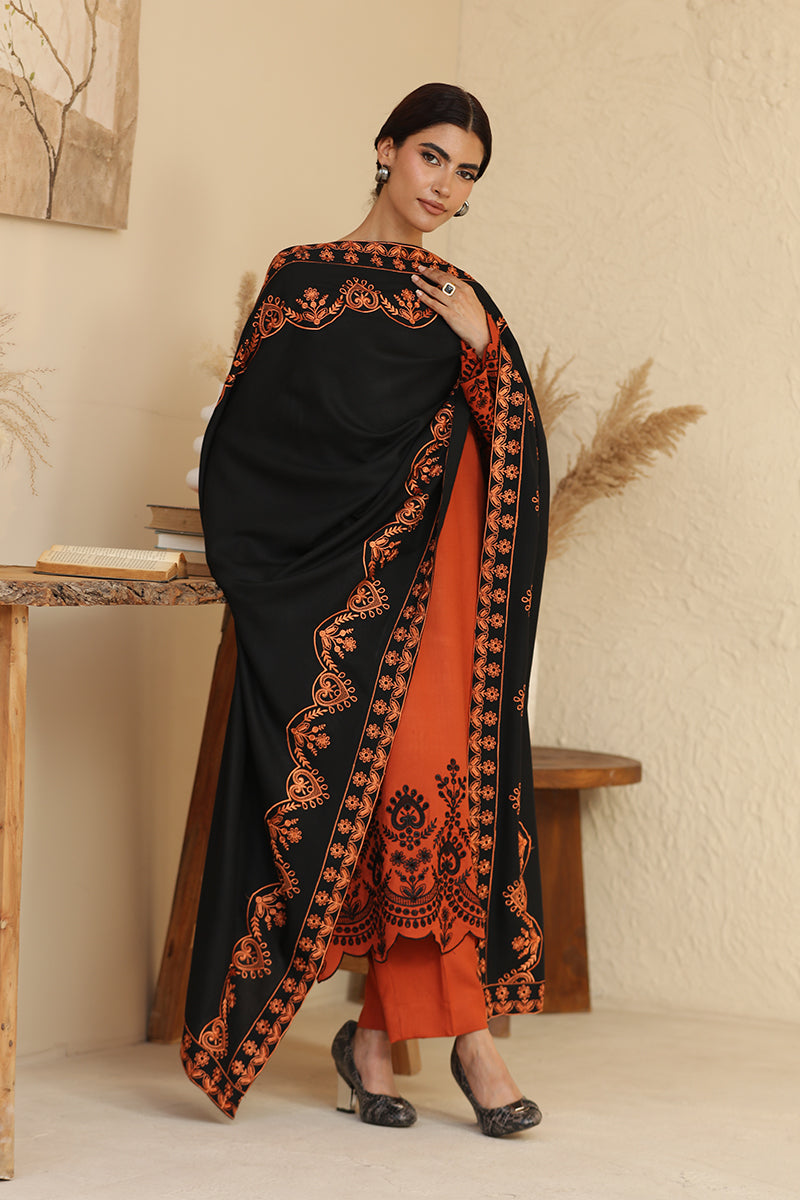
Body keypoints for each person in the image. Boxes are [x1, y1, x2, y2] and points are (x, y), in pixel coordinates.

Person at [182, 83, 549, 1138]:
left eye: (467, 171)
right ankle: (411, 1043)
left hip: (432, 610)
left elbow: (515, 457)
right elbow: (251, 445)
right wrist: (274, 576)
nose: (446, 186)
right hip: (334, 606)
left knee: (427, 795)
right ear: (385, 150)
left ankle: (420, 1040)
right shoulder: (299, 282)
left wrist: (484, 355)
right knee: (384, 794)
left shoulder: (457, 298)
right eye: (433, 157)